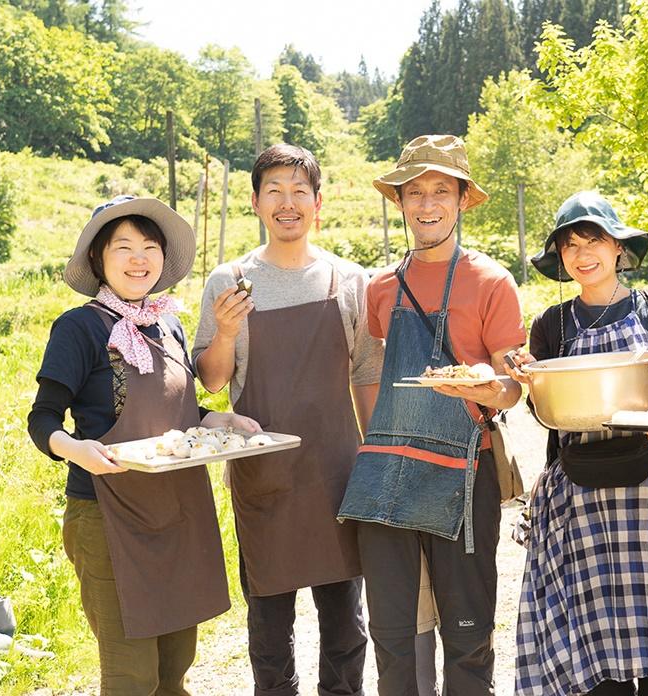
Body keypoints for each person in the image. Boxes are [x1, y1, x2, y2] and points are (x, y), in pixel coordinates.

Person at [28, 195, 258, 695]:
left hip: (178, 511)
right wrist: (76, 449)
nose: (139, 259)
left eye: (149, 247)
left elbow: (179, 413)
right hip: (107, 515)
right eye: (123, 247)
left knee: (176, 666)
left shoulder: (168, 324)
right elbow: (42, 419)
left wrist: (216, 418)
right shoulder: (79, 327)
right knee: (132, 675)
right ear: (98, 259)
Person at [504, 191, 648, 696]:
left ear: (619, 248)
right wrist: (535, 387)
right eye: (570, 244)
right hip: (581, 495)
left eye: (594, 240)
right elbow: (551, 420)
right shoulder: (551, 325)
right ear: (559, 256)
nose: (583, 254)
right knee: (593, 637)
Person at [337, 134, 527, 695]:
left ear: (463, 199)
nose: (425, 204)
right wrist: (375, 442)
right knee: (394, 632)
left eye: (440, 190)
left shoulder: (491, 282)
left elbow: (512, 387)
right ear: (399, 202)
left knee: (468, 635)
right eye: (413, 191)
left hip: (466, 473)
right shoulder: (380, 288)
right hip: (388, 473)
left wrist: (490, 389)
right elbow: (372, 376)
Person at [193, 143, 380, 696]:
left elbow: (366, 373)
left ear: (318, 204)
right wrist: (225, 332)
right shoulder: (228, 281)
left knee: (346, 625)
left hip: (337, 474)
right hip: (264, 477)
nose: (287, 202)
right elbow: (211, 380)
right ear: (255, 202)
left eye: (300, 191)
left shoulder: (348, 280)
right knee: (270, 628)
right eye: (274, 190)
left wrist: (374, 460)